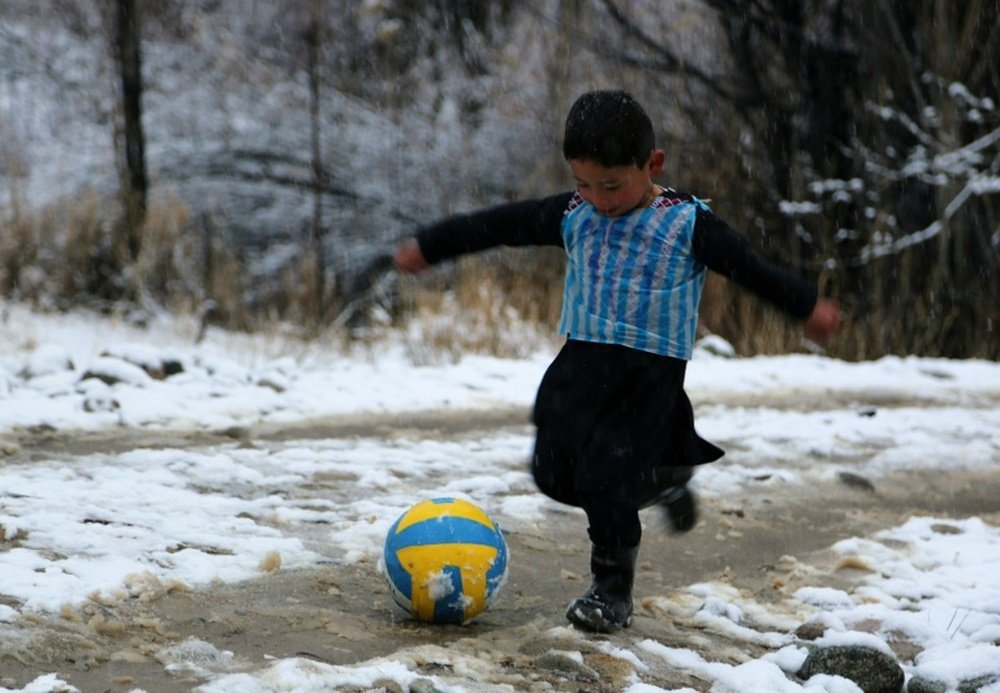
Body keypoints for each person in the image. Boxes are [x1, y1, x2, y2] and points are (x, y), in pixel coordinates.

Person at [393, 89, 841, 633]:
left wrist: (804, 305)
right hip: (581, 363)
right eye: (584, 182)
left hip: (647, 377)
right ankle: (664, 475)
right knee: (553, 474)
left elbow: (750, 267)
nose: (598, 198)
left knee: (605, 478)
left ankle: (612, 591)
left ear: (651, 164)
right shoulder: (573, 213)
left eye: (612, 185)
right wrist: (431, 246)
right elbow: (498, 225)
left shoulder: (686, 223)